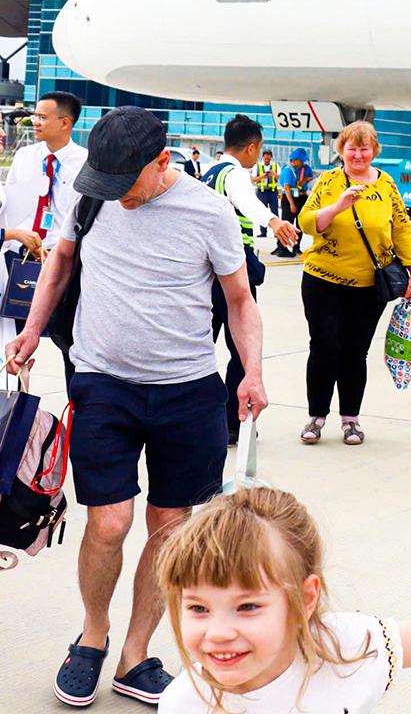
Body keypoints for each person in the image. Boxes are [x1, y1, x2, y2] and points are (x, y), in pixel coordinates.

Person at [4, 105, 266, 708]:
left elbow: (239, 300)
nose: (114, 194)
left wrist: (251, 371)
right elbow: (60, 260)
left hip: (188, 390)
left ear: (162, 161)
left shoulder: (208, 211)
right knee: (108, 522)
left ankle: (135, 655)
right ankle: (93, 637)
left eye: (126, 182)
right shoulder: (91, 194)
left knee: (169, 526)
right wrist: (33, 329)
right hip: (103, 382)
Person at [154, 482, 411, 713]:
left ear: (305, 598)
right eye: (198, 608)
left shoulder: (348, 647)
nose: (218, 633)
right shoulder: (184, 703)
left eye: (247, 606)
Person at [296, 121, 411, 447]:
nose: (358, 155)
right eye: (352, 148)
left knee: (355, 351)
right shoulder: (329, 181)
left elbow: (401, 228)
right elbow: (306, 221)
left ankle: (350, 419)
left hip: (369, 286)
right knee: (324, 346)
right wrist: (338, 206)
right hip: (323, 279)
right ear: (341, 150)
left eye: (364, 149)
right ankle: (316, 416)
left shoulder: (387, 184)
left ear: (374, 151)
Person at [202, 115, 300, 446]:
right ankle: (234, 421)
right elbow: (246, 202)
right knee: (243, 348)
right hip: (232, 271)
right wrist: (274, 221)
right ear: (252, 147)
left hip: (204, 273)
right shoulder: (235, 175)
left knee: (201, 347)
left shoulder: (210, 173)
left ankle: (202, 416)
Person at [0, 90, 86, 368]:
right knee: (13, 337)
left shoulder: (85, 163)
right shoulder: (24, 156)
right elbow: (10, 206)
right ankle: (17, 390)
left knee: (66, 337)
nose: (35, 122)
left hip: (58, 259)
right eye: (35, 116)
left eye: (42, 117)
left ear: (65, 122)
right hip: (19, 257)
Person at [274, 148, 313, 257]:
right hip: (289, 199)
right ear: (295, 160)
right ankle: (282, 248)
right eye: (301, 160)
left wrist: (305, 180)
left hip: (302, 197)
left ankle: (296, 247)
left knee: (300, 224)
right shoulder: (288, 170)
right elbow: (287, 188)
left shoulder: (306, 168)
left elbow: (310, 177)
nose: (303, 162)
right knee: (287, 223)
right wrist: (292, 204)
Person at [251, 148, 280, 236]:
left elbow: (280, 178)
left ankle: (276, 232)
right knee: (262, 212)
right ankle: (263, 232)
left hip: (273, 192)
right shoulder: (257, 166)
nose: (267, 159)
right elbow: (253, 179)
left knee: (275, 212)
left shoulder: (275, 166)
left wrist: (273, 174)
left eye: (268, 157)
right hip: (261, 192)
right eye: (265, 157)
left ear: (271, 157)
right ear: (263, 157)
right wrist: (262, 176)